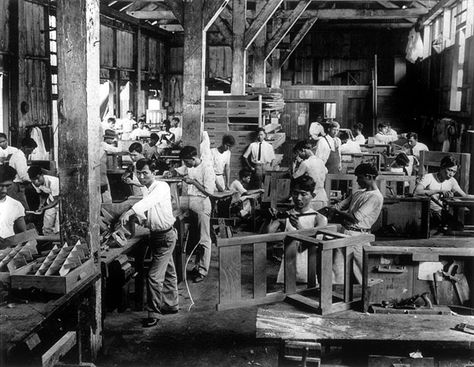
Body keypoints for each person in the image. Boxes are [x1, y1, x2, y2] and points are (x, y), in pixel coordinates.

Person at [119, 159, 178, 328]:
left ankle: (154, 313)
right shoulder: (147, 189)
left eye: (145, 173)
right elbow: (149, 210)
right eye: (139, 173)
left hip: (165, 237)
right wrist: (141, 218)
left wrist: (130, 211)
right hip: (157, 236)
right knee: (168, 271)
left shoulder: (161, 187)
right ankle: (172, 304)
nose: (142, 176)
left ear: (154, 172)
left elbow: (148, 203)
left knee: (153, 276)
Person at [322, 163, 384, 284]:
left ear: (368, 176)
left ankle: (366, 298)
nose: (357, 180)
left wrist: (336, 212)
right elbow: (340, 205)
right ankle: (337, 296)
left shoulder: (375, 197)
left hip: (358, 236)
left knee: (363, 273)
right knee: (338, 270)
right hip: (346, 232)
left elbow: (354, 218)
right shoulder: (358, 193)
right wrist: (329, 209)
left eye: (359, 177)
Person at [265, 175, 327, 284]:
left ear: (312, 195)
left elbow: (315, 244)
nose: (298, 198)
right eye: (295, 193)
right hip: (286, 274)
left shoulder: (319, 218)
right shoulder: (287, 215)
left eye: (303, 194)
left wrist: (298, 226)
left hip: (309, 274)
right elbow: (267, 236)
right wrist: (270, 218)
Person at [174, 146, 215, 283]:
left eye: (187, 162)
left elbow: (209, 192)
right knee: (196, 237)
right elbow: (180, 170)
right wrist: (172, 172)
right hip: (192, 203)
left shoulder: (207, 169)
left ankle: (203, 270)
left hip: (203, 204)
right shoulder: (190, 166)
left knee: (204, 239)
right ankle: (197, 266)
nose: (186, 165)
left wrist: (193, 182)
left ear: (193, 158)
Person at [414, 155, 471, 232]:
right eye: (449, 170)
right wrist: (438, 191)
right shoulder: (429, 177)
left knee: (459, 227)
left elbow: (464, 196)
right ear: (442, 168)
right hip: (426, 212)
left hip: (441, 213)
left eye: (454, 171)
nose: (451, 174)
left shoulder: (452, 181)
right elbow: (417, 191)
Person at [1, 136, 36, 210]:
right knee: (22, 209)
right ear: (26, 147)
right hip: (15, 186)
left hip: (16, 186)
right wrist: (34, 180)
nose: (31, 151)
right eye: (31, 149)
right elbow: (23, 175)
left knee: (19, 208)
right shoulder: (19, 156)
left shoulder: (19, 154)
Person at [292, 141, 328, 210]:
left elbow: (294, 177)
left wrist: (294, 166)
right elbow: (326, 171)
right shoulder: (320, 161)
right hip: (322, 197)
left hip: (311, 199)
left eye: (298, 154)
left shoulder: (305, 163)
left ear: (303, 150)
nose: (299, 156)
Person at [27, 165, 59, 235]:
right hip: (51, 203)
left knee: (58, 229)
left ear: (42, 175)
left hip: (60, 204)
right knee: (46, 228)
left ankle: (60, 243)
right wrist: (41, 206)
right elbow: (43, 194)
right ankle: (49, 243)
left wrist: (43, 208)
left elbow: (57, 200)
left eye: (37, 178)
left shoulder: (53, 182)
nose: (36, 181)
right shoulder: (36, 184)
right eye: (33, 180)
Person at [0, 165, 26, 239]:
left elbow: (22, 234)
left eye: (8, 186)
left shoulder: (16, 205)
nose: (4, 190)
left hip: (8, 248)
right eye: (1, 186)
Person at [100, 129, 122, 203]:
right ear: (107, 138)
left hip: (101, 169)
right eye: (112, 139)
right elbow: (117, 150)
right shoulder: (103, 145)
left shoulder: (102, 145)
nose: (112, 140)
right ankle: (108, 206)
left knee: (104, 189)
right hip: (100, 170)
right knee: (105, 189)